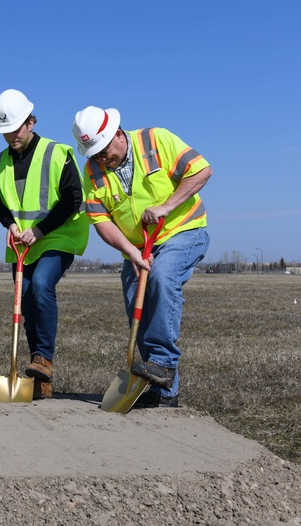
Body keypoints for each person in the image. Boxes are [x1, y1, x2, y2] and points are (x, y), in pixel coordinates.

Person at [72, 105, 211, 408]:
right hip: (138, 246)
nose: (100, 159)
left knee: (162, 277)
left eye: (103, 151)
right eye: (93, 154)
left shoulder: (155, 140)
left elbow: (201, 170)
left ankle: (163, 361)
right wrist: (131, 252)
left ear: (118, 135)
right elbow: (101, 219)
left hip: (183, 231)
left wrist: (166, 206)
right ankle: (163, 391)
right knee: (136, 298)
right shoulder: (93, 171)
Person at [0, 89, 88, 400]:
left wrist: (42, 230)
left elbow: (74, 198)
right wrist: (11, 224)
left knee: (43, 285)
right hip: (22, 244)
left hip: (58, 236)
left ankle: (43, 358)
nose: (10, 137)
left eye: (15, 129)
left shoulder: (58, 153)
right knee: (26, 300)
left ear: (31, 122)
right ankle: (39, 373)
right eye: (5, 132)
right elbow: (0, 204)